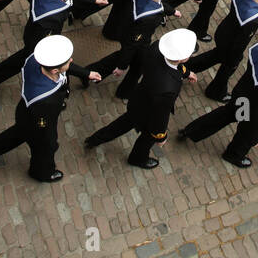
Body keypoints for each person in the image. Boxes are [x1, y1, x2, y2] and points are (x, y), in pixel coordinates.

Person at [0, 35, 101, 182]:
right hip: (37, 120)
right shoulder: (46, 100)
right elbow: (45, 125)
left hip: (27, 112)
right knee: (46, 147)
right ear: (55, 71)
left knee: (13, 136)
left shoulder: (36, 60)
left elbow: (64, 67)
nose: (71, 60)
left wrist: (86, 73)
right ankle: (41, 172)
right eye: (68, 60)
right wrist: (50, 140)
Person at [179, 29, 258, 167]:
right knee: (246, 133)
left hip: (242, 92)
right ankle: (233, 155)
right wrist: (255, 136)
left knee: (224, 115)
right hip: (250, 106)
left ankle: (191, 131)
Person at [85, 28, 198, 169]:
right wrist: (160, 135)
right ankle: (137, 159)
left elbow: (171, 65)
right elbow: (161, 116)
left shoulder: (156, 47)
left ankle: (95, 139)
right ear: (182, 58)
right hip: (149, 112)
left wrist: (186, 73)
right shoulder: (169, 87)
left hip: (139, 99)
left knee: (123, 123)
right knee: (148, 138)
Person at [91, 0, 180, 100]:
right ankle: (123, 92)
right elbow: (133, 43)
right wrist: (122, 66)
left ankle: (91, 72)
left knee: (125, 57)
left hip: (127, 28)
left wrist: (171, 11)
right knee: (136, 65)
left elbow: (159, 4)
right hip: (138, 40)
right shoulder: (150, 17)